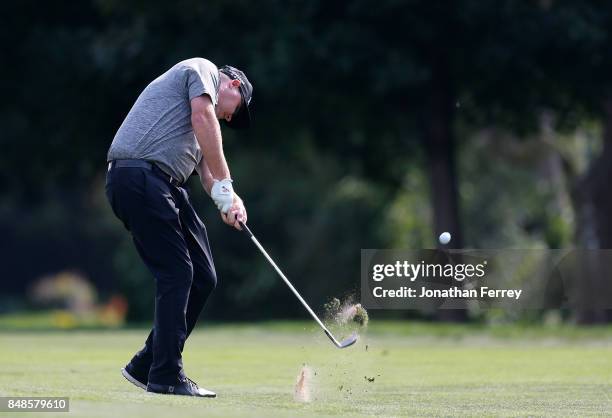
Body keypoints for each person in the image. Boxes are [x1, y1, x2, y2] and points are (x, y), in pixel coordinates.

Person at [105, 57, 252, 398]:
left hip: (163, 185)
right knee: (177, 273)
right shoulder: (202, 70)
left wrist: (229, 200)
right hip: (137, 176)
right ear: (232, 85)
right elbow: (204, 118)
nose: (229, 118)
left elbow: (208, 174)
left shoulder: (197, 120)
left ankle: (147, 364)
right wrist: (226, 184)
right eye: (235, 111)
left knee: (203, 275)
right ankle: (166, 375)